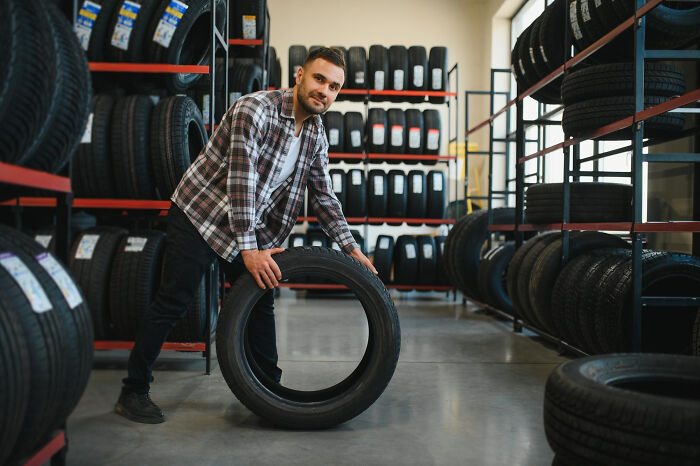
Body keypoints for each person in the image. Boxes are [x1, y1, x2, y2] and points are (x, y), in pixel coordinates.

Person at [114, 47, 377, 424]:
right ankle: (133, 389)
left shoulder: (316, 134)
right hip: (201, 215)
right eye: (320, 79)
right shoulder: (255, 110)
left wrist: (351, 247)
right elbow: (243, 182)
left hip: (245, 224)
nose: (325, 91)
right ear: (300, 75)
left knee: (260, 298)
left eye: (334, 87)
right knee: (175, 299)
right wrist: (250, 249)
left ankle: (269, 393)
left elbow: (322, 194)